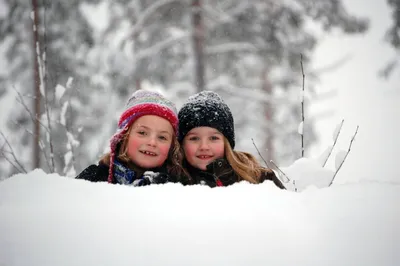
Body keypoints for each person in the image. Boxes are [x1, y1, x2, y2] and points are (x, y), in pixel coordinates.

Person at [178, 90, 285, 189]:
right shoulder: (173, 181)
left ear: (226, 142)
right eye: (194, 138)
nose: (204, 146)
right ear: (181, 143)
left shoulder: (260, 179)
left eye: (214, 138)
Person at [76, 89, 183, 186]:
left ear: (172, 146)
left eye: (162, 137)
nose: (152, 142)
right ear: (124, 136)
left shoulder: (175, 187)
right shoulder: (93, 178)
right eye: (142, 132)